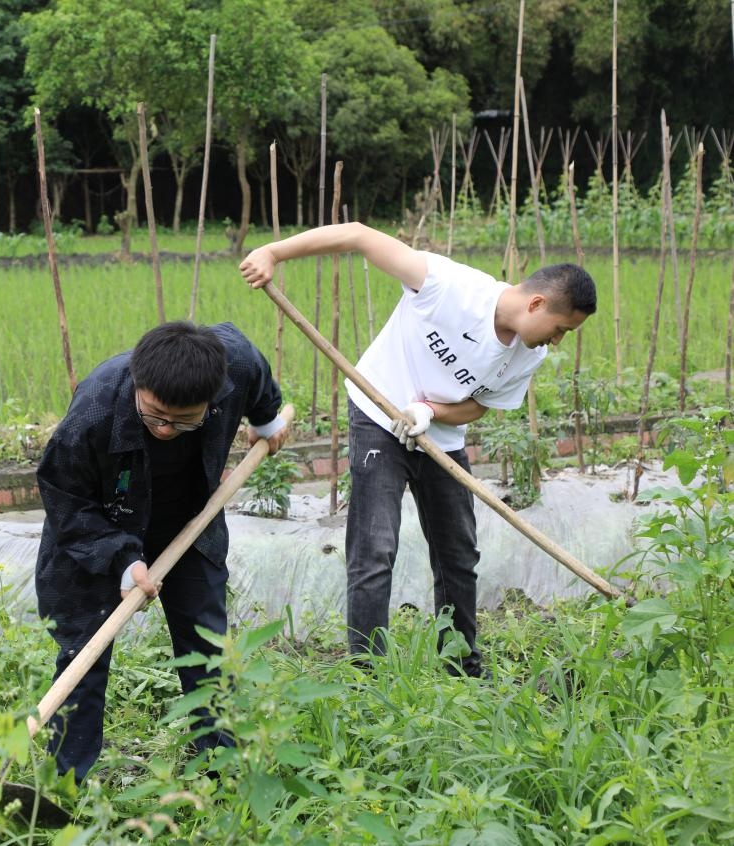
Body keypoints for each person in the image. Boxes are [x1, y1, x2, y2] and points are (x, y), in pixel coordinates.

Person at [239, 223, 595, 677]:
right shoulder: (450, 287)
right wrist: (273, 252)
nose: (558, 341)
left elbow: (479, 406)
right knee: (375, 549)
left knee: (459, 553)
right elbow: (358, 235)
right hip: (377, 415)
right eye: (560, 328)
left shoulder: (529, 354)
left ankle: (462, 665)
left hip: (438, 439)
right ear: (537, 303)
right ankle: (367, 675)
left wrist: (430, 411)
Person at [35, 321, 287, 783]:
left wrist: (266, 420)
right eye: (155, 416)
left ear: (213, 398)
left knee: (208, 646)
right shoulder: (94, 410)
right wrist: (122, 558)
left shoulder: (235, 363)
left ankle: (222, 772)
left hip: (188, 524)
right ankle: (64, 783)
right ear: (138, 383)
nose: (167, 429)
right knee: (84, 652)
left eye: (184, 419)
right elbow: (66, 501)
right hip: (101, 527)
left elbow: (257, 377)